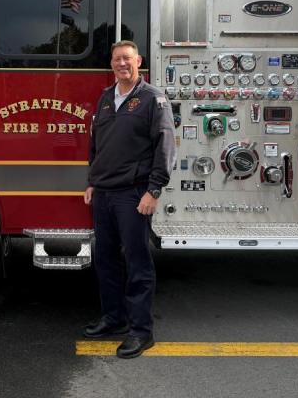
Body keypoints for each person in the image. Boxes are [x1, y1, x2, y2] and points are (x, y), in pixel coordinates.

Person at [83, 40, 176, 359]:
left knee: (137, 262)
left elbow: (165, 146)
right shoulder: (106, 98)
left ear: (139, 61)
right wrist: (92, 181)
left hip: (134, 193)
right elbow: (97, 143)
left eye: (127, 58)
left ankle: (141, 331)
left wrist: (154, 190)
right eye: (116, 59)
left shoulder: (153, 98)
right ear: (111, 64)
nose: (122, 64)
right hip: (104, 192)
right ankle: (114, 318)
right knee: (105, 258)